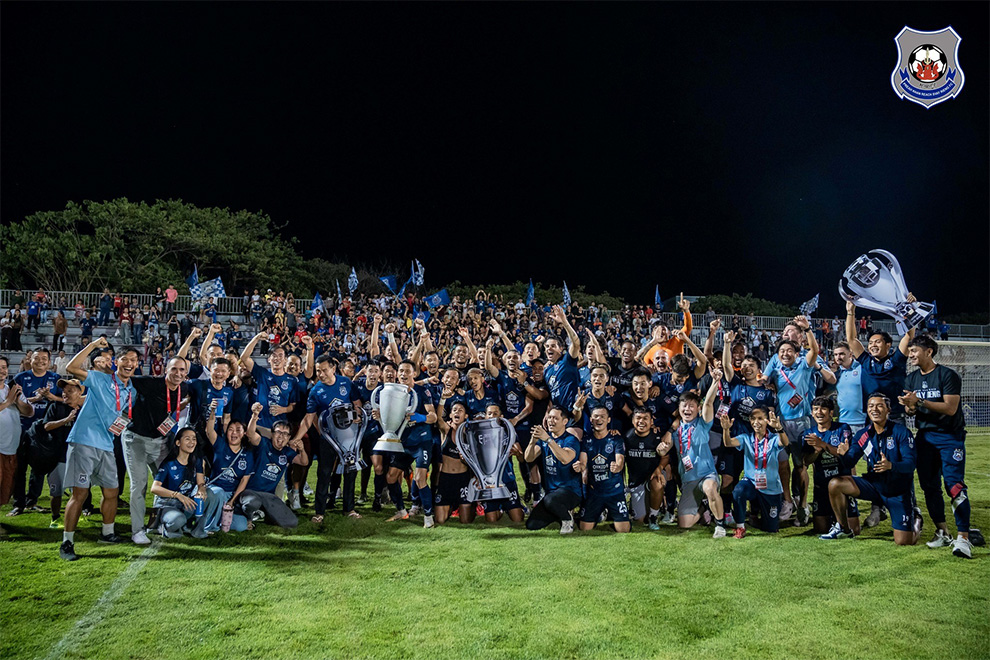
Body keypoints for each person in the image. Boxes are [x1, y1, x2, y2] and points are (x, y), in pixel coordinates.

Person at [60, 338, 137, 561]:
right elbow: (71, 368)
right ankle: (67, 541)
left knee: (112, 491)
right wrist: (93, 346)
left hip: (106, 444)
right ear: (116, 362)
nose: (129, 363)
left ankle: (108, 533)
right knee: (80, 494)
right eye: (125, 359)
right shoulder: (100, 378)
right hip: (84, 441)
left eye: (133, 360)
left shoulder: (130, 389)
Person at [899, 335, 973, 558]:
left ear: (928, 352)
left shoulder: (947, 375)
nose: (910, 355)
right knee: (929, 486)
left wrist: (919, 402)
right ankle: (943, 532)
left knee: (954, 485)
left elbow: (950, 408)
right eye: (910, 352)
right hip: (925, 437)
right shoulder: (911, 379)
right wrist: (909, 408)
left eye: (914, 351)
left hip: (950, 437)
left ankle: (964, 539)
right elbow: (912, 412)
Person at [820, 393, 922, 546]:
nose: (875, 409)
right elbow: (849, 463)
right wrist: (842, 454)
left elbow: (910, 464)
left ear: (888, 409)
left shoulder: (901, 432)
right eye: (871, 406)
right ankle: (843, 529)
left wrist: (891, 466)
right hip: (873, 486)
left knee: (904, 542)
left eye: (879, 405)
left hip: (897, 491)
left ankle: (916, 520)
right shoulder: (863, 435)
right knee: (835, 484)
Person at [121, 357, 190, 545]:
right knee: (139, 485)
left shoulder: (183, 388)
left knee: (167, 482)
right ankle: (137, 531)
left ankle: (156, 522)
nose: (178, 373)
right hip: (137, 439)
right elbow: (124, 378)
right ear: (165, 370)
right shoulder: (150, 382)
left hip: (160, 441)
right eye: (174, 369)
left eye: (182, 370)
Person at [762, 317, 820, 526]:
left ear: (797, 354)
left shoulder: (804, 367)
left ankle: (803, 504)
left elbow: (814, 351)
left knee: (800, 465)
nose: (785, 354)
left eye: (789, 351)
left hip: (802, 423)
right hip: (780, 424)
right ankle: (787, 501)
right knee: (782, 464)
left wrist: (808, 329)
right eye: (781, 352)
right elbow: (762, 381)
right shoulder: (776, 370)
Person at [291, 353, 363, 522]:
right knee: (324, 473)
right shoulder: (316, 391)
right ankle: (319, 512)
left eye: (324, 370)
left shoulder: (346, 383)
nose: (321, 374)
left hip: (348, 437)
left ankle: (349, 509)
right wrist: (297, 437)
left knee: (350, 472)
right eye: (318, 371)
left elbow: (357, 403)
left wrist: (357, 415)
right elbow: (308, 418)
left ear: (333, 368)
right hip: (328, 438)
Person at [658, 375, 727, 537]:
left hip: (706, 474)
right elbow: (663, 451)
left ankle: (720, 525)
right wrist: (661, 450)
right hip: (688, 479)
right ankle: (705, 506)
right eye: (684, 406)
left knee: (710, 488)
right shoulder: (675, 431)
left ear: (698, 408)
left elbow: (709, 402)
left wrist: (716, 382)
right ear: (679, 408)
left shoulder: (703, 424)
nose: (687, 409)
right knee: (684, 524)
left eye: (691, 406)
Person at [719, 406, 788, 538]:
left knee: (771, 529)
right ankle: (740, 527)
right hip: (751, 482)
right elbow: (728, 443)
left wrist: (779, 428)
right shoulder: (746, 438)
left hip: (771, 487)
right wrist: (726, 429)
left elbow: (785, 442)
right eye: (753, 418)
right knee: (738, 491)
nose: (756, 422)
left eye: (760, 418)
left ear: (767, 420)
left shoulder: (773, 438)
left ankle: (756, 513)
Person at [9, 348, 62, 516]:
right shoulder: (20, 378)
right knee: (20, 467)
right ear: (29, 360)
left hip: (44, 431)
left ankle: (32, 500)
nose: (40, 361)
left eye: (44, 358)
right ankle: (19, 503)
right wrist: (35, 399)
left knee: (38, 468)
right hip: (23, 428)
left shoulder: (55, 379)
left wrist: (51, 397)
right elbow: (12, 402)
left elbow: (66, 399)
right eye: (37, 358)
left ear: (49, 361)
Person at [238, 406, 307, 530]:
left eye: (286, 434)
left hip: (269, 495)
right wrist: (254, 416)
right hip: (251, 491)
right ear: (272, 434)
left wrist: (302, 450)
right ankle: (247, 518)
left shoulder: (287, 452)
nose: (281, 436)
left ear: (289, 438)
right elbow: (250, 434)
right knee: (252, 503)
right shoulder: (264, 443)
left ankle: (268, 516)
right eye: (278, 432)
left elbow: (304, 462)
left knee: (291, 522)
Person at [802, 397, 860, 536]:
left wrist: (823, 445)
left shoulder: (842, 429)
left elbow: (844, 454)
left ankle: (839, 520)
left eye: (823, 409)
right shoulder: (808, 434)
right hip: (821, 486)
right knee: (820, 529)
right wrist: (816, 451)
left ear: (831, 413)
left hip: (842, 484)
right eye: (816, 409)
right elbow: (807, 461)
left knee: (855, 530)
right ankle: (835, 520)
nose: (819, 412)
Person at [524, 406, 582, 534]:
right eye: (549, 417)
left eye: (555, 418)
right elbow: (528, 458)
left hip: (571, 491)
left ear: (565, 422)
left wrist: (549, 440)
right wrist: (532, 441)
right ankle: (559, 513)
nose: (551, 421)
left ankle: (567, 520)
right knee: (532, 525)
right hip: (552, 493)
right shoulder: (545, 439)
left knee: (550, 500)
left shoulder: (571, 440)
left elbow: (565, 459)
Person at [201, 406, 255, 534]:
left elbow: (244, 481)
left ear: (244, 434)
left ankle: (217, 519)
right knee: (218, 493)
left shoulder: (247, 454)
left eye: (238, 430)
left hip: (230, 494)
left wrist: (232, 501)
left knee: (241, 526)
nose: (234, 433)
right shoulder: (220, 444)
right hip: (214, 490)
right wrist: (213, 412)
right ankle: (209, 526)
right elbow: (209, 431)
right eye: (230, 429)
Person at [577, 406, 629, 533]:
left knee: (623, 530)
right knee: (585, 529)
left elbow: (620, 461)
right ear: (590, 419)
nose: (598, 419)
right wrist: (580, 466)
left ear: (608, 420)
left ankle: (610, 514)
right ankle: (598, 513)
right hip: (595, 492)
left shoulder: (616, 439)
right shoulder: (586, 440)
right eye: (595, 416)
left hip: (614, 492)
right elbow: (583, 462)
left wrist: (617, 467)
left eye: (602, 417)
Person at [149, 427, 207, 538]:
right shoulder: (168, 463)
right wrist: (178, 495)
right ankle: (163, 526)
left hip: (184, 502)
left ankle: (195, 531)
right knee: (179, 519)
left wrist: (202, 489)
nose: (192, 442)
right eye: (187, 439)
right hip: (167, 503)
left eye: (194, 439)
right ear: (178, 442)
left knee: (205, 502)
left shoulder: (196, 461)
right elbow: (154, 488)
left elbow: (201, 482)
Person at [624, 407, 665, 529]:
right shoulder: (627, 437)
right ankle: (638, 505)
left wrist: (659, 468)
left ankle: (654, 516)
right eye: (638, 418)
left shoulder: (657, 437)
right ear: (632, 420)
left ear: (652, 421)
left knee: (657, 482)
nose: (641, 421)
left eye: (645, 418)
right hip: (636, 482)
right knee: (640, 519)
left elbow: (666, 457)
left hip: (652, 476)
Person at [0, 357, 32, 512]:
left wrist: (18, 401)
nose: (2, 370)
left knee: (5, 489)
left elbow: (29, 412)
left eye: (4, 367)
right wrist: (7, 401)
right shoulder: (9, 394)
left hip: (11, 447)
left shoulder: (11, 389)